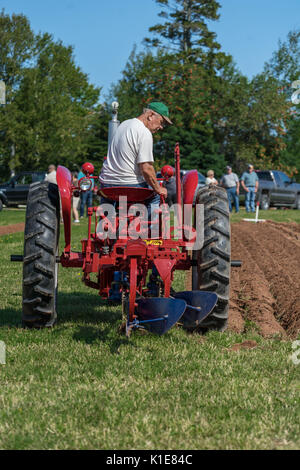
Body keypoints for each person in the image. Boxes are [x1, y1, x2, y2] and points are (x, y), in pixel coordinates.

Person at [99, 101, 171, 218]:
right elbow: (146, 169)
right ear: (151, 115)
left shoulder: (123, 124)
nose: (161, 127)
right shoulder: (144, 132)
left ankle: (106, 226)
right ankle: (149, 232)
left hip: (106, 184)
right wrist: (158, 188)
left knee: (108, 202)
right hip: (129, 185)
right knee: (156, 195)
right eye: (161, 122)